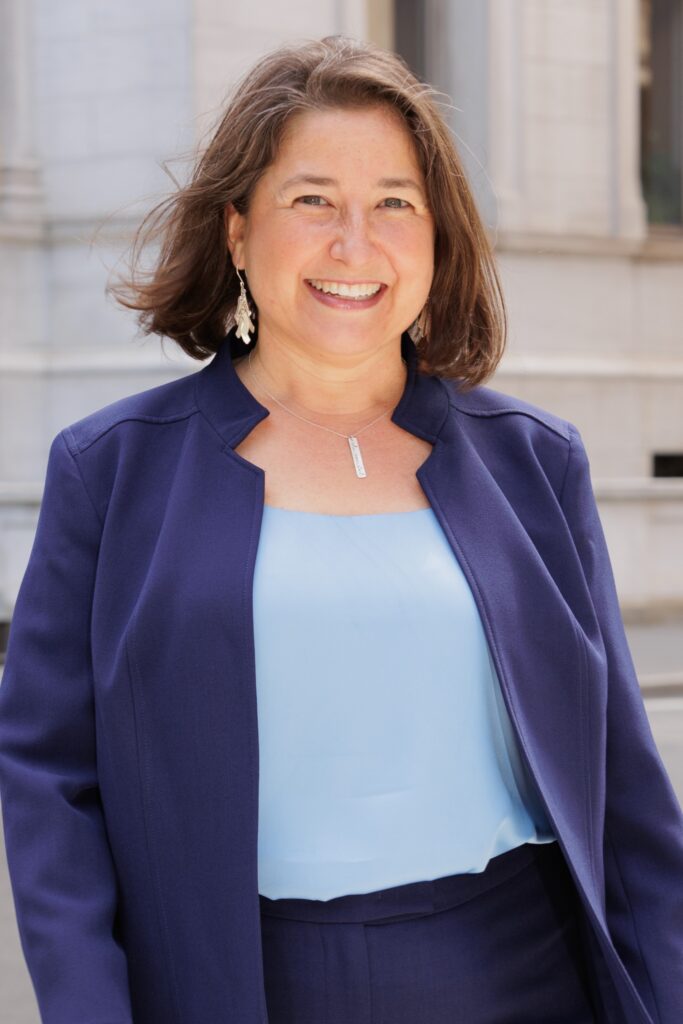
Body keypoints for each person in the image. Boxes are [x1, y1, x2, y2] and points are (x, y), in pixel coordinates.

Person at [0, 33, 682, 1024]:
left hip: (520, 974)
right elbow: (48, 784)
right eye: (310, 199)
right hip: (233, 982)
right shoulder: (108, 471)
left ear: (437, 236)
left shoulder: (536, 462)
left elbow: (622, 789)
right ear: (237, 230)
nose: (353, 244)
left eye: (393, 204)